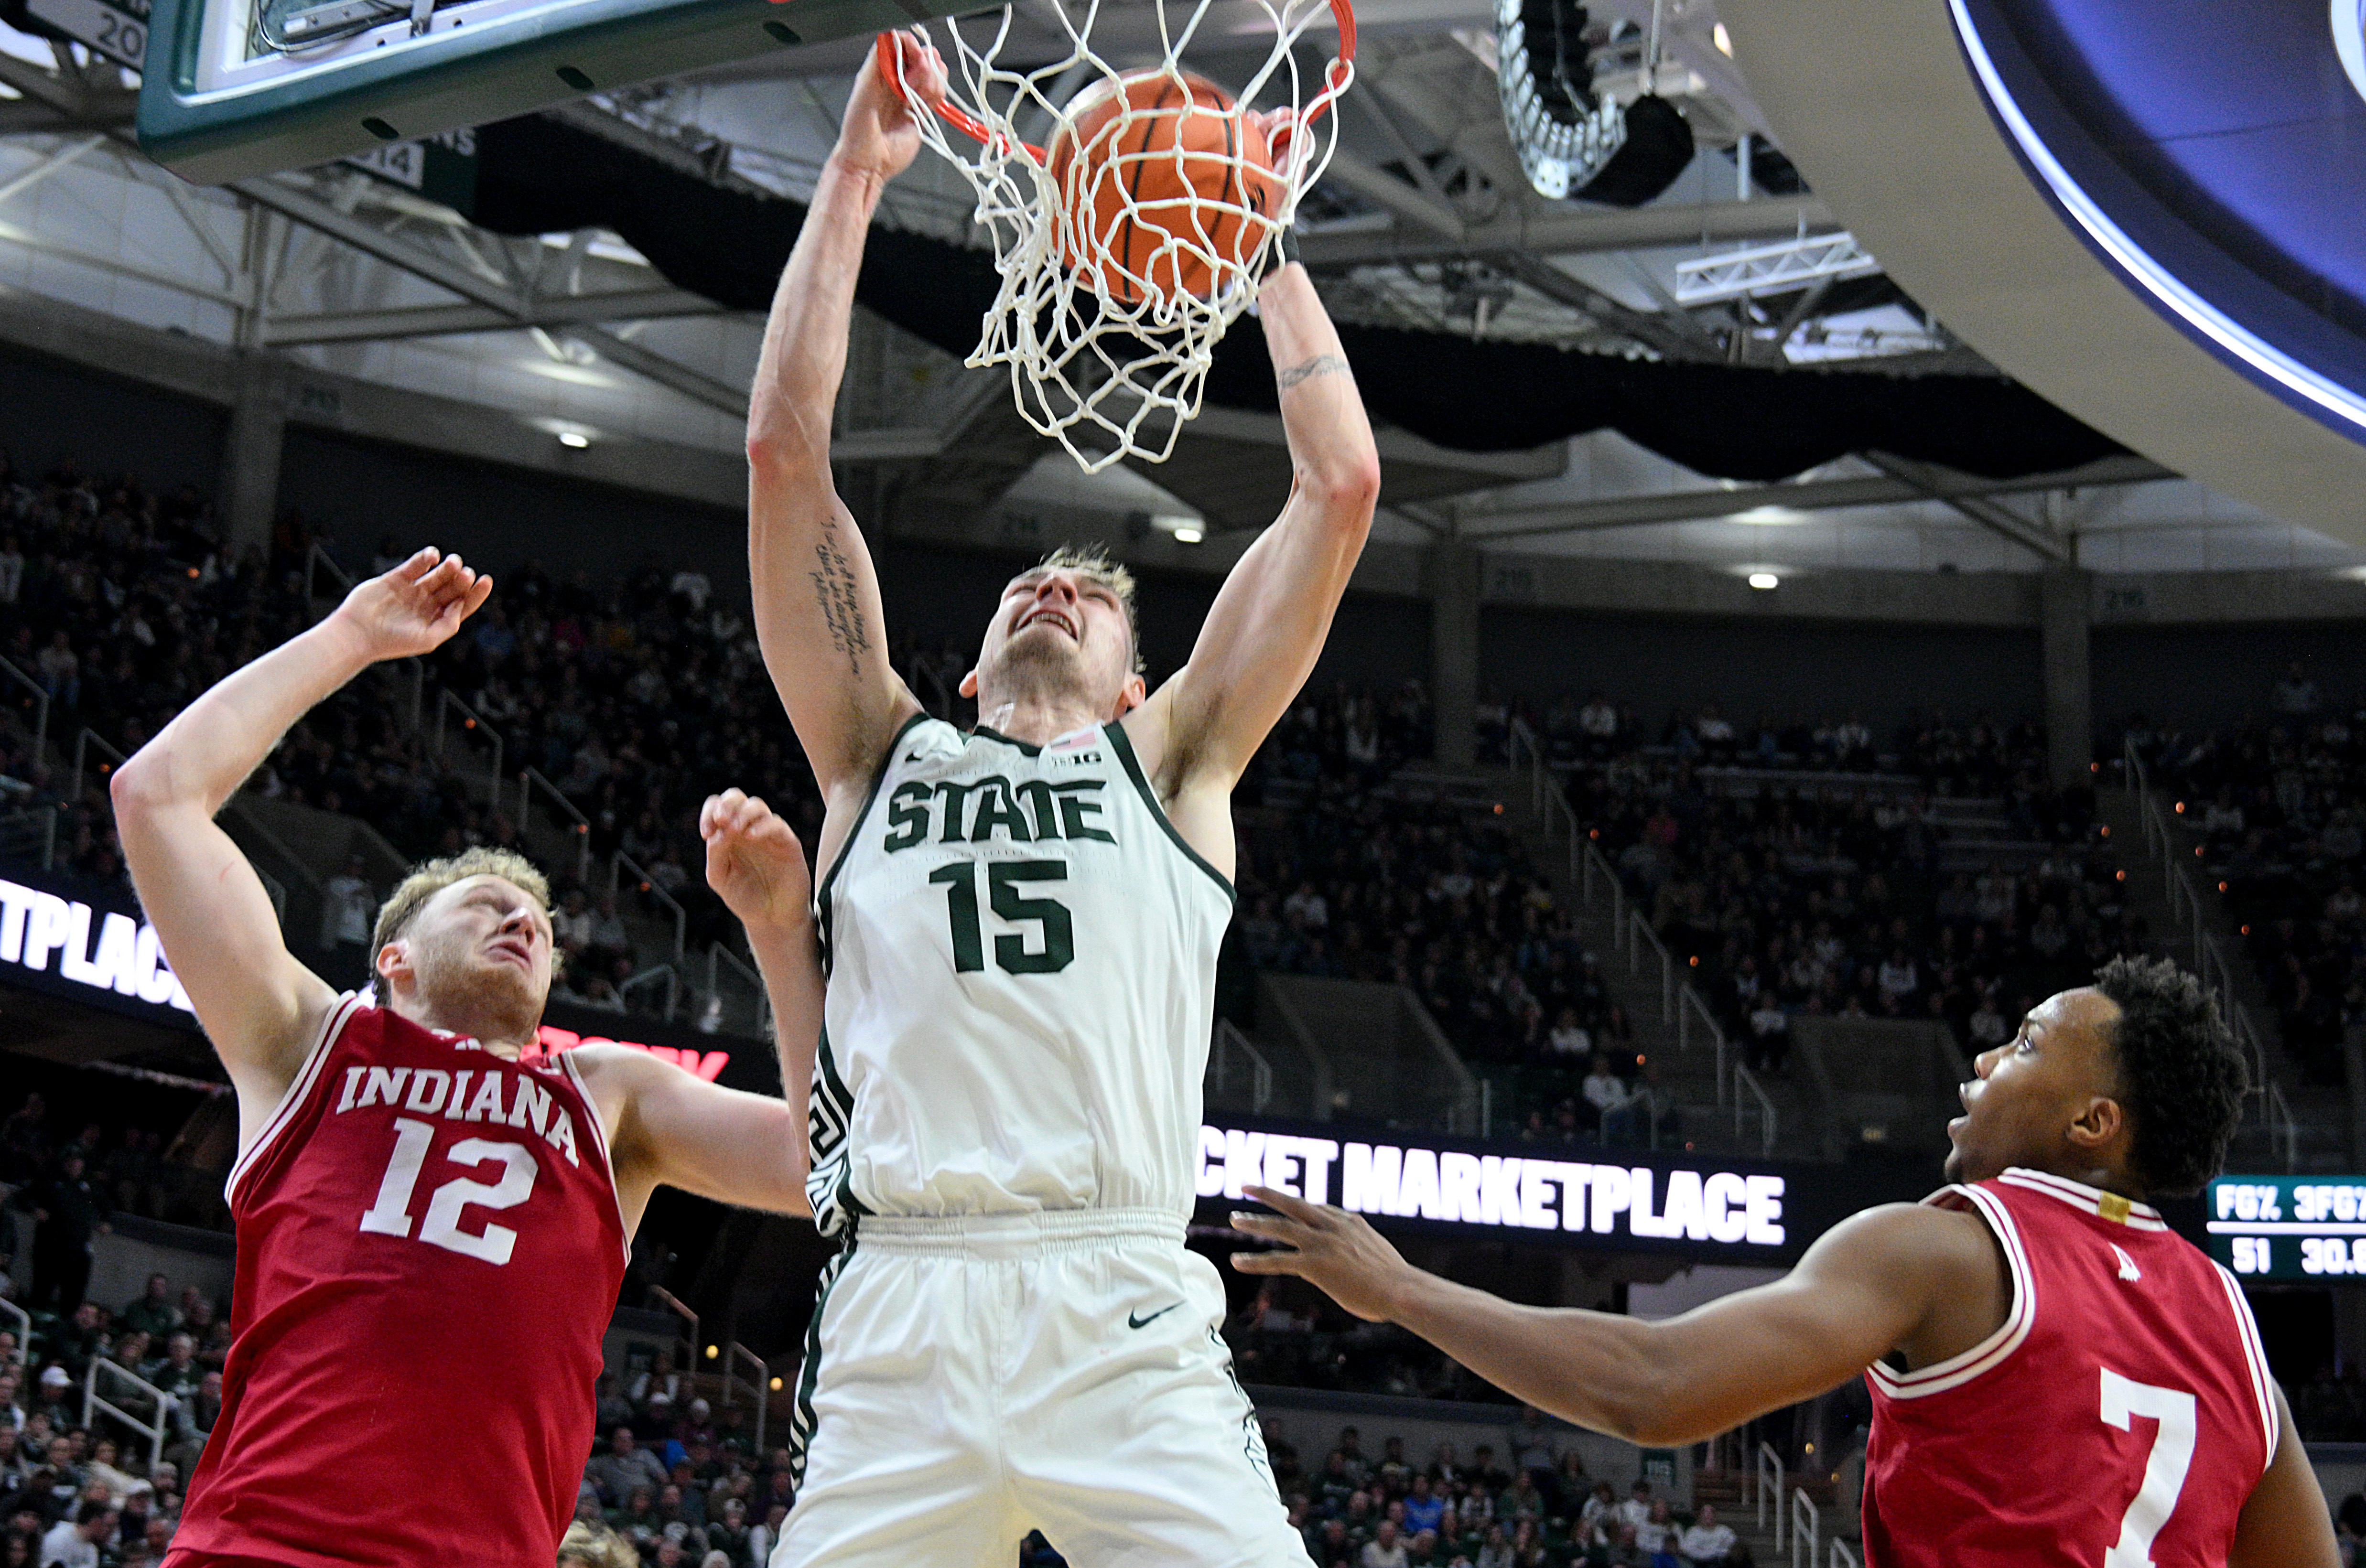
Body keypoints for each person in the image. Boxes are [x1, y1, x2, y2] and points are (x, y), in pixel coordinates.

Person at [742, 30, 1379, 1567]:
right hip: (901, 1304)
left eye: (1093, 596)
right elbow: (782, 450)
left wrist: (1255, 238)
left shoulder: (1176, 764)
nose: (1053, 585)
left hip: (1118, 1302)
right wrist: (850, 181)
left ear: (1135, 688)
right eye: (1032, 579)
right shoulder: (875, 753)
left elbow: (1341, 486)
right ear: (964, 673)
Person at [110, 548, 827, 1568]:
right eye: (488, 905)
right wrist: (349, 640)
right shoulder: (309, 1039)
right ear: (392, 957)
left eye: (538, 918)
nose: (523, 921)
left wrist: (777, 931)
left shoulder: (607, 1094)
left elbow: (826, 1164)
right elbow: (156, 797)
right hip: (260, 1548)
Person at [1232, 956, 2337, 1566]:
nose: (1990, 1056)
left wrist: (1400, 1289)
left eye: (2031, 1043)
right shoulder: (2235, 1328)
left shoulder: (1945, 1245)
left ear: (2095, 1123)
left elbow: (1654, 1389)